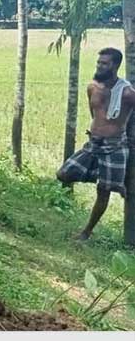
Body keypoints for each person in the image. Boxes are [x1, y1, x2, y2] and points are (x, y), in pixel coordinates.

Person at [57, 48, 135, 241]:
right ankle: (113, 181)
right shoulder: (92, 87)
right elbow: (95, 114)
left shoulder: (127, 93)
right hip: (94, 143)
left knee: (103, 193)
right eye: (99, 63)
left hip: (115, 146)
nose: (100, 66)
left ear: (115, 66)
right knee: (64, 173)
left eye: (105, 64)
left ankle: (86, 232)